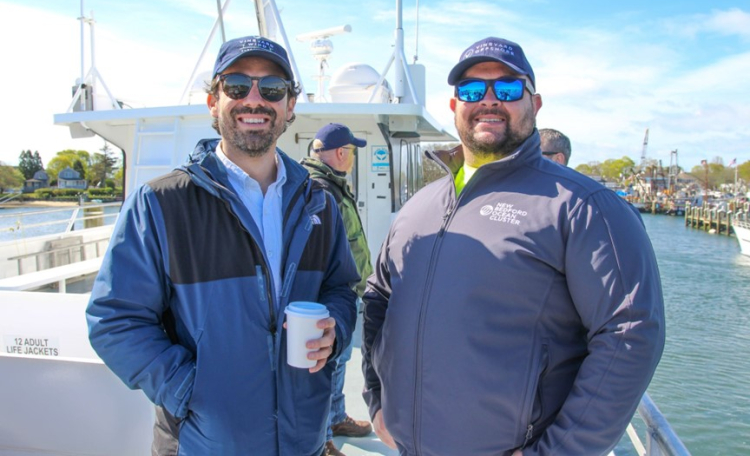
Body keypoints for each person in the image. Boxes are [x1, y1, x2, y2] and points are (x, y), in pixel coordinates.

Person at [361, 37, 665, 456]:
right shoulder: (419, 206)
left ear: (534, 104)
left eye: (507, 88)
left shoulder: (584, 207)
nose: (488, 100)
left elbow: (630, 333)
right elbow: (379, 297)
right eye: (471, 90)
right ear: (455, 107)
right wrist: (376, 399)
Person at [86, 35, 359, 455]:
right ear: (213, 102)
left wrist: (335, 330)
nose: (254, 99)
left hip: (303, 440)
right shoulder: (160, 204)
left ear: (289, 107)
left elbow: (340, 288)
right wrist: (189, 392)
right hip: (201, 444)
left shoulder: (317, 202)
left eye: (272, 88)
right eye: (236, 86)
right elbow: (114, 319)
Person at [301, 123, 374, 456]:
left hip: (341, 292)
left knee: (338, 362)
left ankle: (336, 417)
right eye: (352, 152)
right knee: (327, 366)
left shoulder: (328, 185)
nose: (353, 158)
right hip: (330, 296)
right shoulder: (321, 189)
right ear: (342, 153)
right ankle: (323, 440)